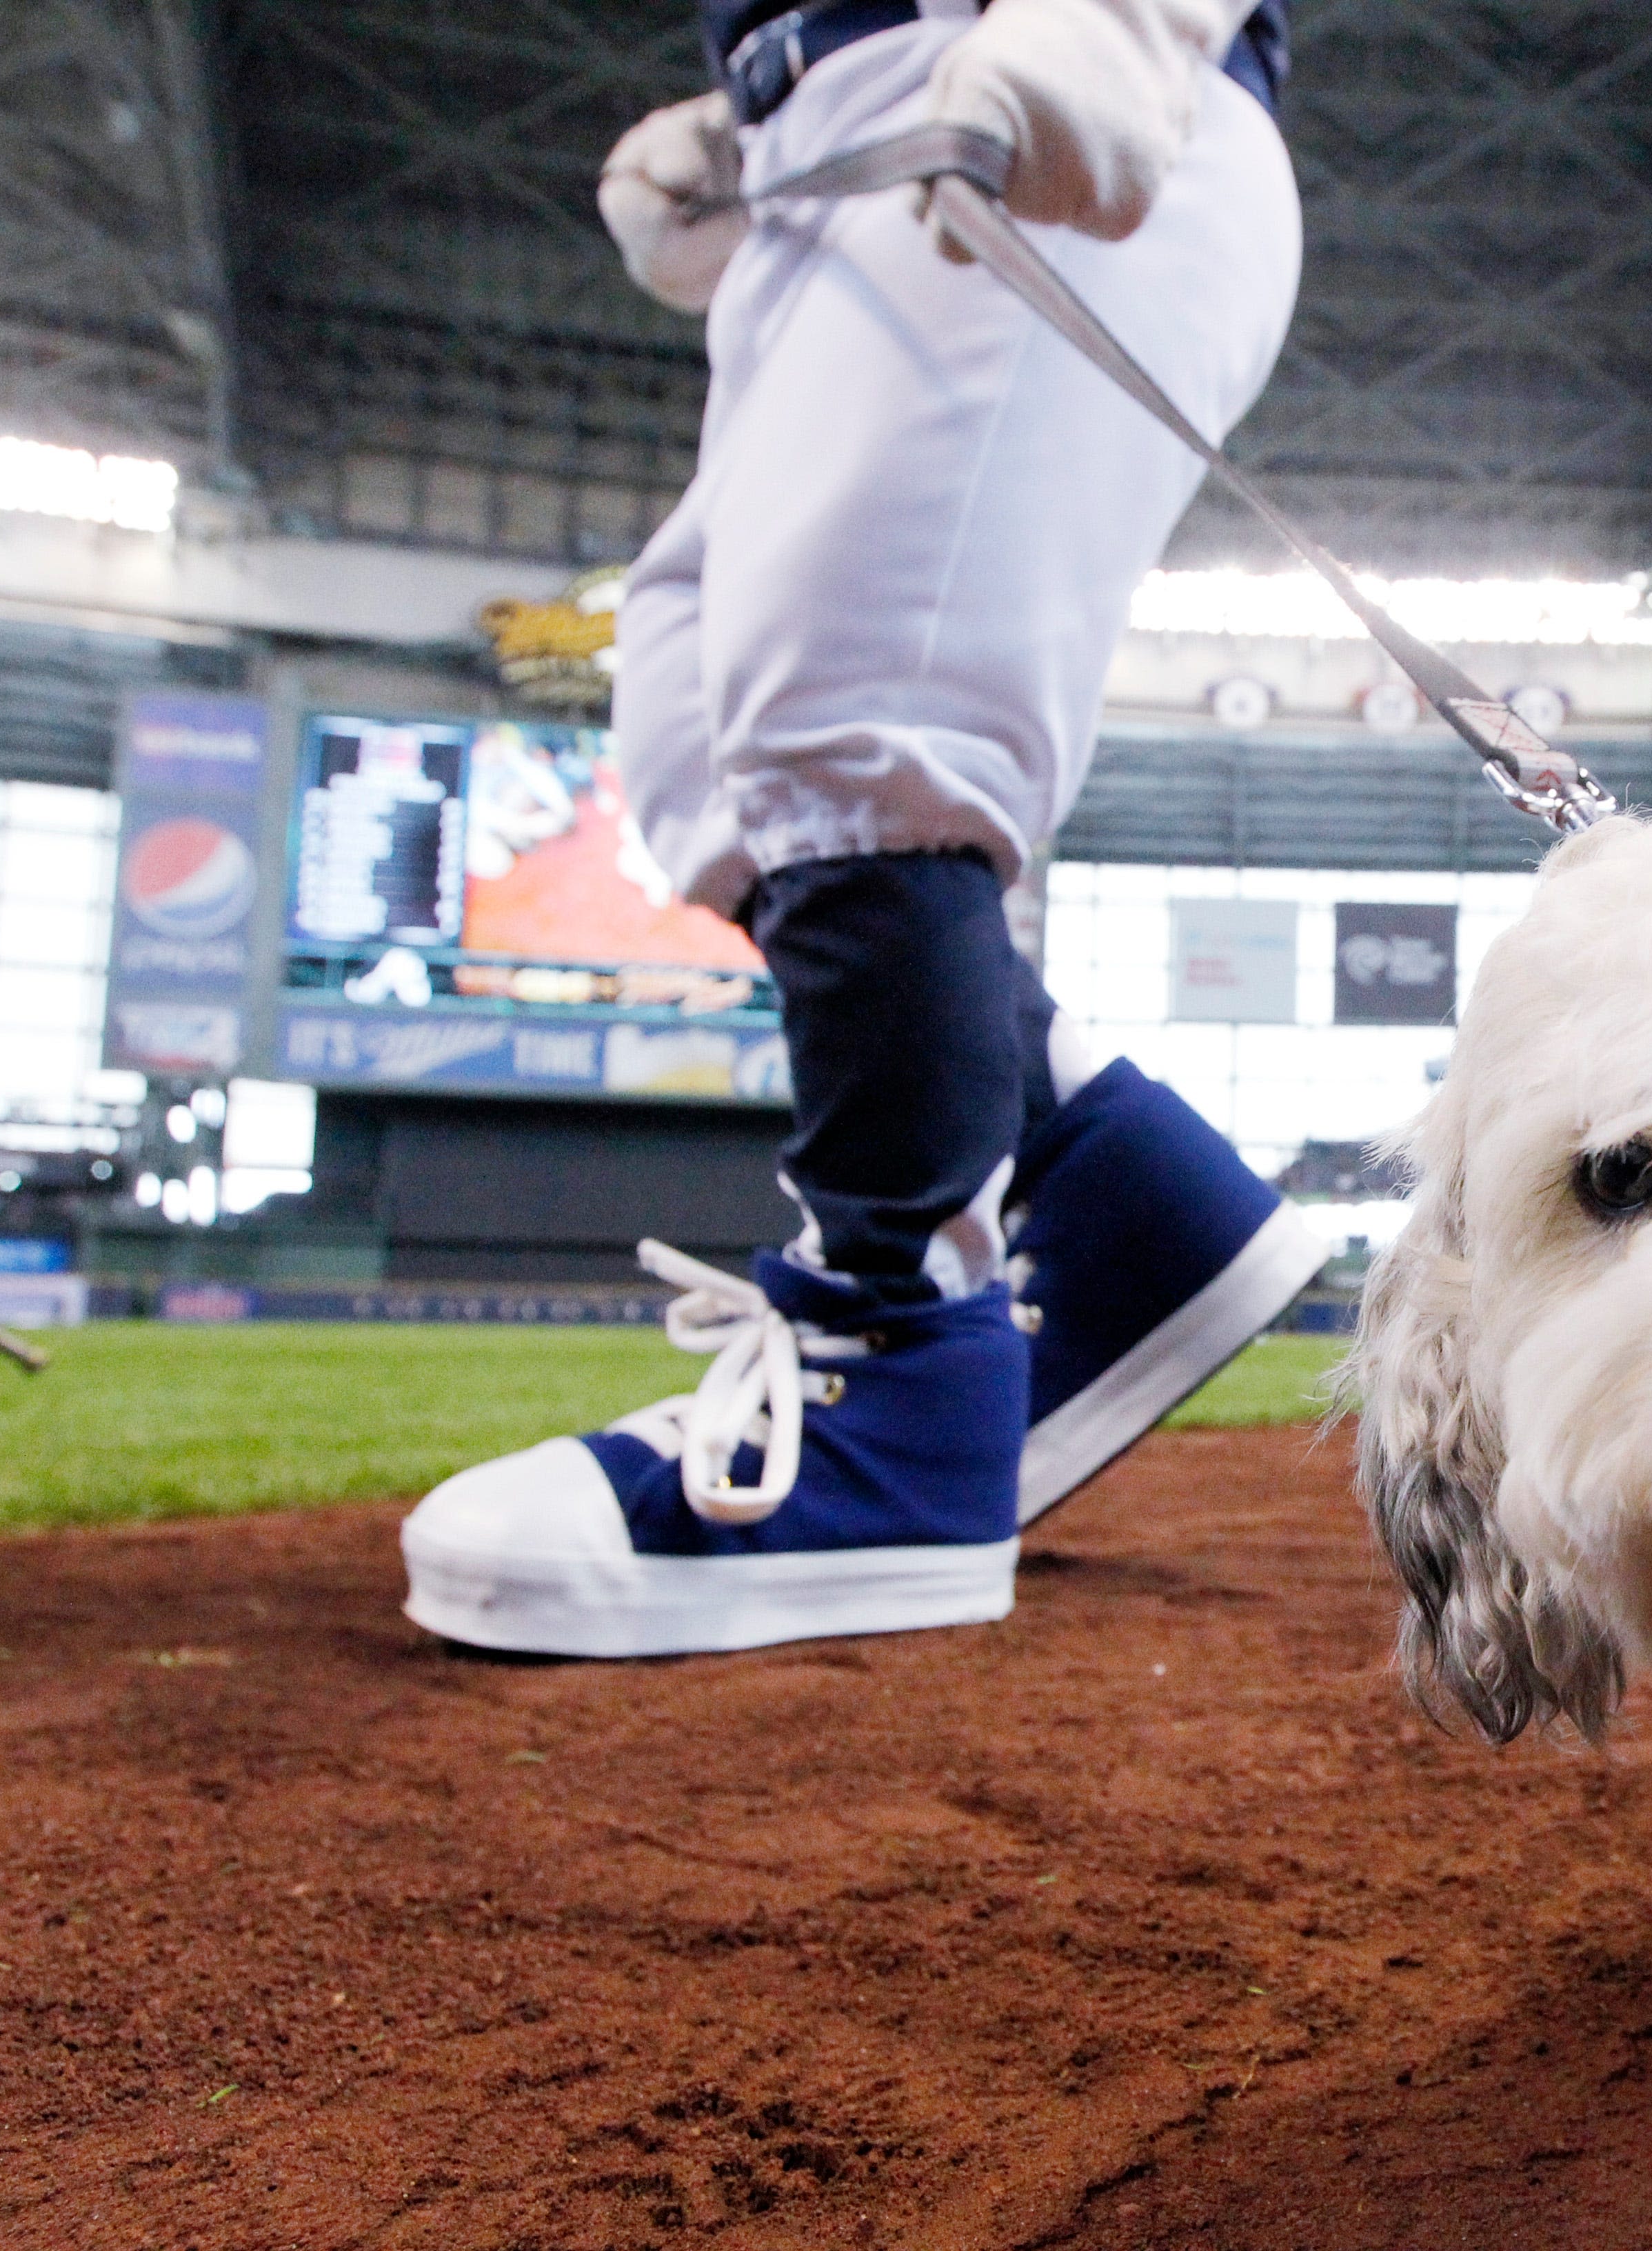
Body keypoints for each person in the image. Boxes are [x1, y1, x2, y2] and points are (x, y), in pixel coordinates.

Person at [400, 0, 1324, 1658]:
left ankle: (898, 1365)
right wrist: (765, 91)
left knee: (857, 721)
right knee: (709, 752)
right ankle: (1106, 1191)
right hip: (837, 129)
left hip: (1046, 65)